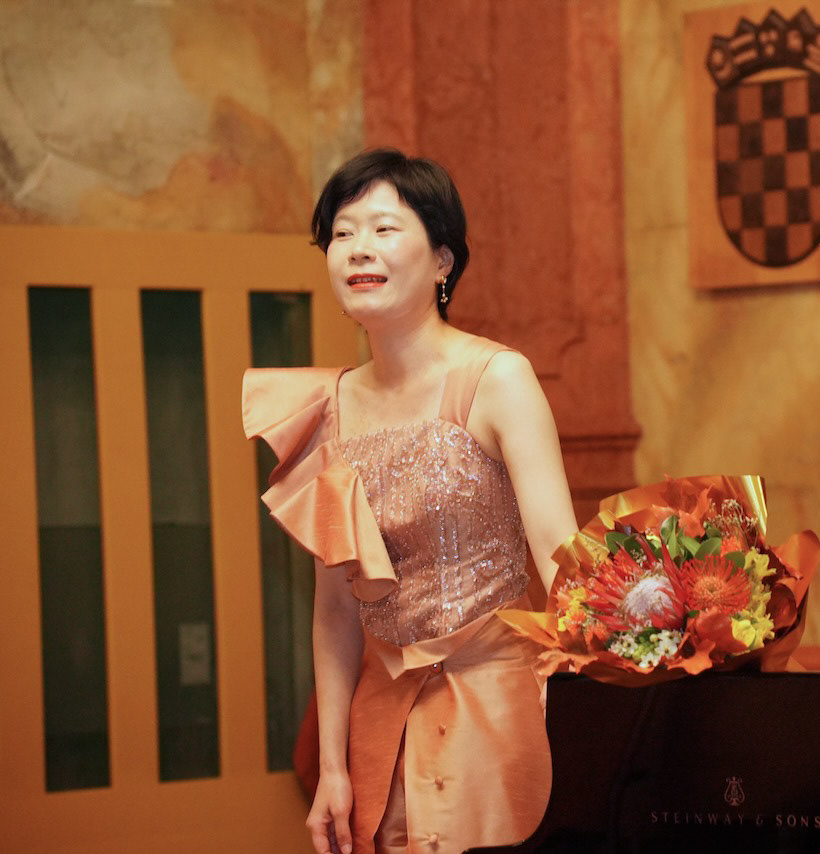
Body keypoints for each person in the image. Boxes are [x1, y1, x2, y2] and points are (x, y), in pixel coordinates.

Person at [242, 148, 578, 854]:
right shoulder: (326, 406)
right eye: (342, 233)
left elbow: (562, 561)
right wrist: (333, 767)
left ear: (442, 260)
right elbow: (336, 609)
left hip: (497, 707)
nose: (358, 248)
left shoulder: (497, 379)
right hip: (380, 716)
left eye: (384, 229)